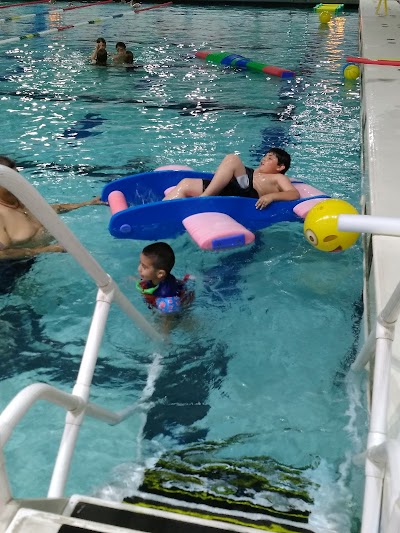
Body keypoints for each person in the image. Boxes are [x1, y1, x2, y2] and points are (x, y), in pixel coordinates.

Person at [0, 155, 103, 259]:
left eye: (17, 175)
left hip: (43, 255)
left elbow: (53, 209)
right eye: (10, 179)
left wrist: (87, 203)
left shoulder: (23, 199)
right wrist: (47, 250)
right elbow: (2, 254)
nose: (18, 181)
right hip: (16, 269)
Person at [163, 148, 300, 210]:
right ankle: (161, 208)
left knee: (232, 159)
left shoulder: (278, 177)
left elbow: (294, 193)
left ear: (280, 167)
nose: (264, 159)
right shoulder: (258, 172)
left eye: (270, 158)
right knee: (186, 183)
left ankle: (203, 199)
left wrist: (271, 196)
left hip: (248, 194)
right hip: (234, 189)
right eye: (265, 156)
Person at [136, 242, 194, 314]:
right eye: (140, 263)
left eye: (144, 267)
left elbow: (168, 320)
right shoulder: (153, 278)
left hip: (181, 299)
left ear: (160, 273)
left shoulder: (166, 297)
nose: (139, 269)